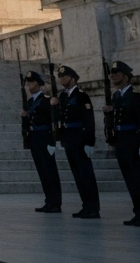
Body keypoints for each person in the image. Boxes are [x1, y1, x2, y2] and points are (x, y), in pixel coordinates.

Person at [103, 60, 140, 227]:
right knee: (130, 180)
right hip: (121, 142)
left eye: (116, 74)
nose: (112, 77)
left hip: (134, 142)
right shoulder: (116, 96)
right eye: (112, 74)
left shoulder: (136, 97)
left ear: (125, 77)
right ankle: (138, 212)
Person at [52, 65, 100, 218]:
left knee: (86, 175)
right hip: (69, 140)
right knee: (78, 175)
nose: (61, 79)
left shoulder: (81, 96)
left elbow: (89, 120)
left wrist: (89, 142)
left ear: (73, 78)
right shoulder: (63, 97)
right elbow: (59, 117)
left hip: (80, 139)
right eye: (60, 77)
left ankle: (93, 207)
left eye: (64, 76)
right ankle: (85, 205)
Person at [21, 70, 62, 214]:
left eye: (32, 83)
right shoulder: (30, 102)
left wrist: (53, 141)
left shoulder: (46, 100)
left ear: (38, 84)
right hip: (35, 140)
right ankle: (48, 200)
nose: (29, 86)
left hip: (45, 139)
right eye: (28, 83)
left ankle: (56, 202)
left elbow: (54, 119)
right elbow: (27, 122)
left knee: (51, 172)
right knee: (42, 172)